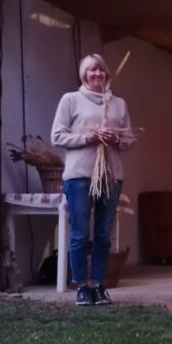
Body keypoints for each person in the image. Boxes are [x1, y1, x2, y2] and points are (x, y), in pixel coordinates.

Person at [51, 53, 134, 306]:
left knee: (103, 233)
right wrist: (88, 138)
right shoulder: (71, 100)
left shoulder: (118, 103)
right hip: (79, 176)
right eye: (91, 70)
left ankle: (99, 284)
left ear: (107, 74)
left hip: (110, 176)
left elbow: (129, 140)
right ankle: (81, 287)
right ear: (83, 75)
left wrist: (115, 139)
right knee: (78, 233)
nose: (96, 74)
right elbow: (57, 136)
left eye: (100, 70)